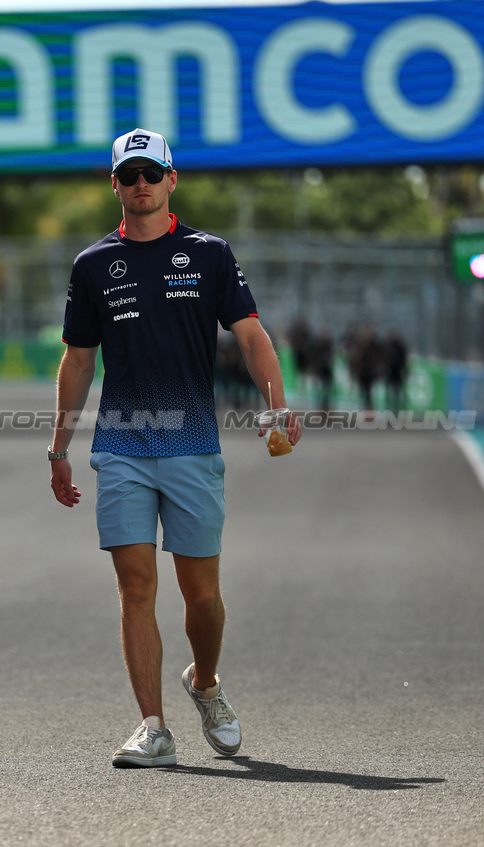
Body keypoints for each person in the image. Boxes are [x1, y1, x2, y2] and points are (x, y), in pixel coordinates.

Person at [47, 128, 301, 768]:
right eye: (129, 175)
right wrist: (59, 448)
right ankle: (152, 727)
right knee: (136, 588)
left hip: (192, 446)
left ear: (171, 180)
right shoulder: (93, 265)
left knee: (203, 598)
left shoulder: (210, 253)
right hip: (122, 447)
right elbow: (78, 360)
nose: (141, 185)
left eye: (151, 174)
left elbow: (249, 335)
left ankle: (205, 681)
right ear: (115, 185)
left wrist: (276, 401)